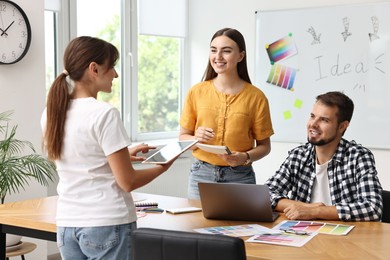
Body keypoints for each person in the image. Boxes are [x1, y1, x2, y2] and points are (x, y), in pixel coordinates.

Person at [41, 36, 176, 260]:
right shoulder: (104, 113)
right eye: (111, 66)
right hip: (106, 222)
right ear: (93, 69)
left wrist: (121, 155)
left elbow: (80, 158)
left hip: (67, 225)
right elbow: (128, 181)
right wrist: (163, 165)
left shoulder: (51, 113)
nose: (116, 74)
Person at [179, 28, 274, 199]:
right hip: (201, 175)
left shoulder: (256, 97)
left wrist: (244, 157)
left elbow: (265, 147)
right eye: (214, 50)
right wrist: (195, 138)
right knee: (194, 225)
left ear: (240, 56)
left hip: (240, 176)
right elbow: (182, 138)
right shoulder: (196, 92)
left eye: (226, 51)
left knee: (241, 226)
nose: (218, 57)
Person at [265, 91, 383, 221]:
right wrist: (302, 207)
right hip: (302, 234)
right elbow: (265, 195)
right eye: (312, 116)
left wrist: (316, 211)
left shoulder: (358, 157)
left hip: (345, 237)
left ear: (342, 126)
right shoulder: (298, 155)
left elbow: (372, 208)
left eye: (324, 120)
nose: (313, 124)